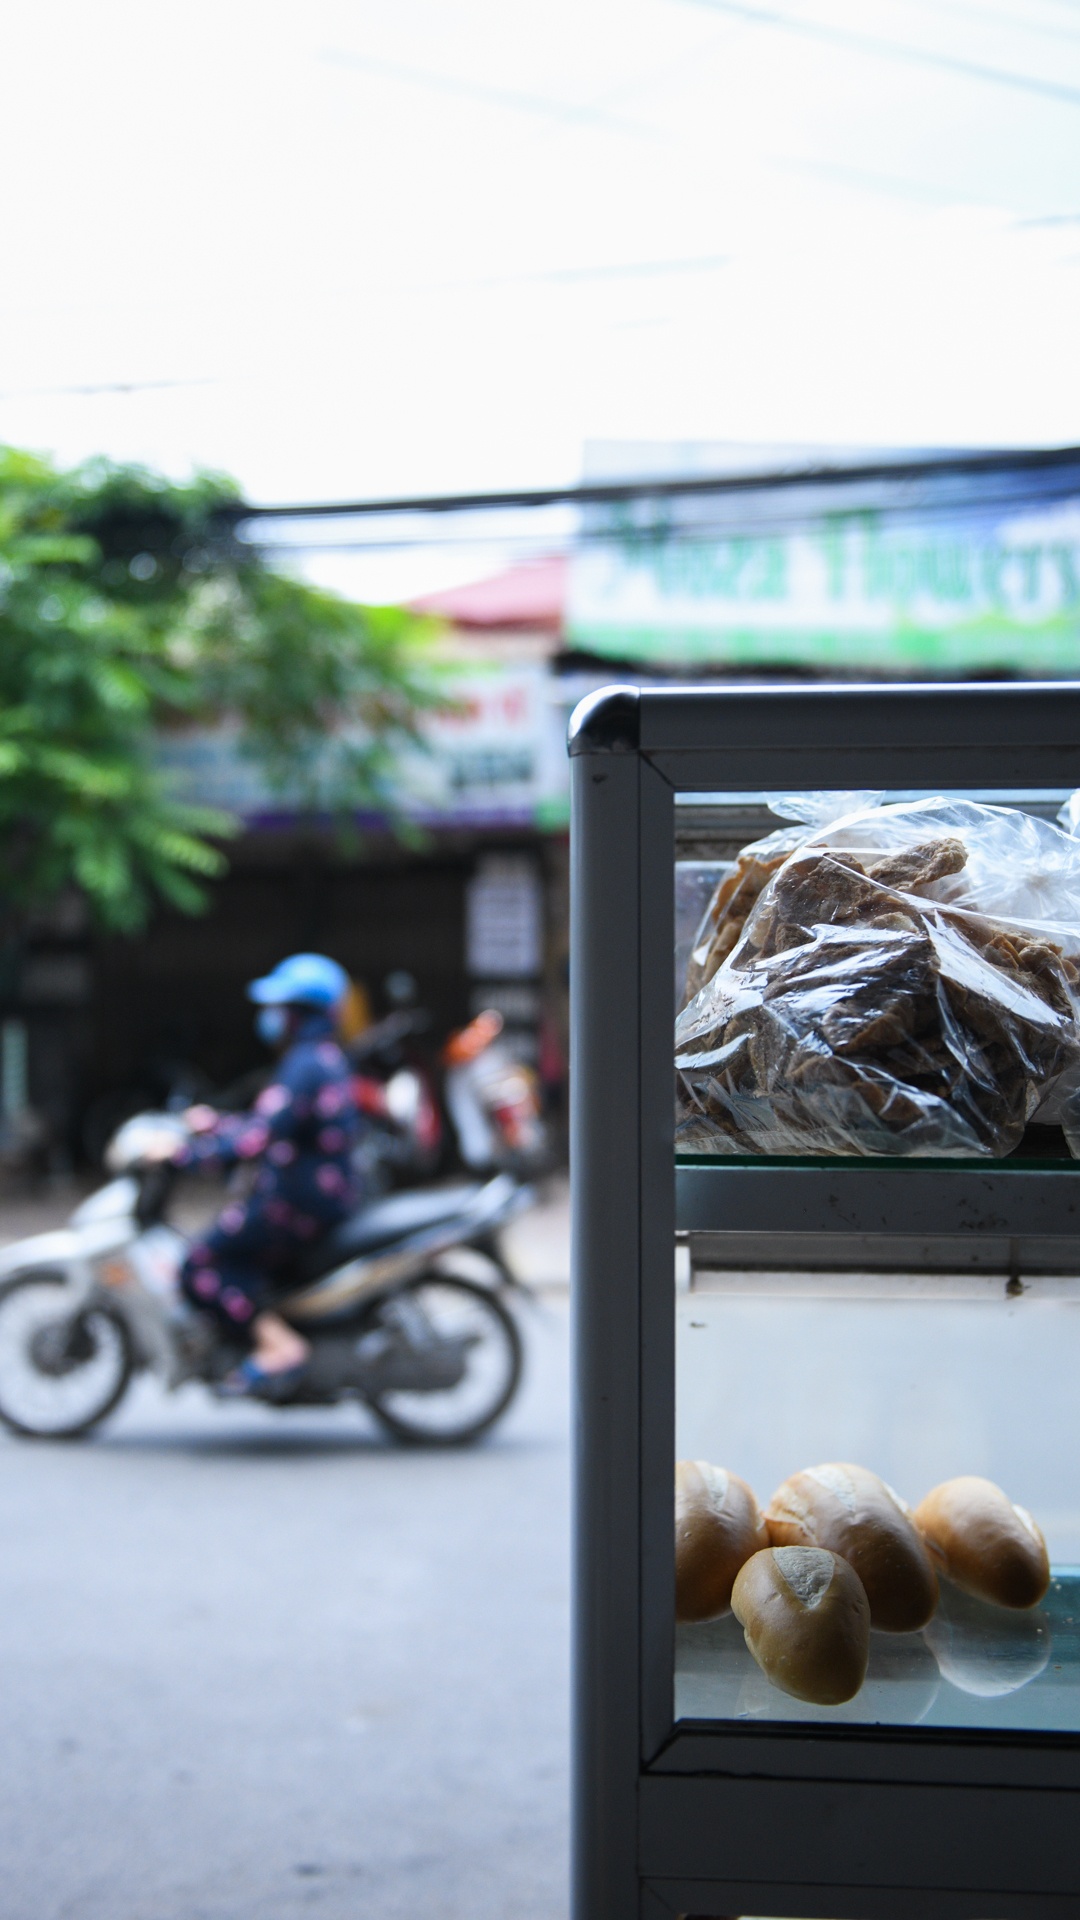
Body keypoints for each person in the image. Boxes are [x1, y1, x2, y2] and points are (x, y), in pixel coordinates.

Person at [174, 953, 360, 1394]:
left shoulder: (305, 1065)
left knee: (199, 1264)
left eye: (280, 1007)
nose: (271, 1016)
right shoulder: (319, 1058)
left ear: (298, 1013)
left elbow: (257, 1138)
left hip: (296, 1203)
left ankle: (278, 1344)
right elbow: (270, 1124)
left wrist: (184, 1156)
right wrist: (215, 1124)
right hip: (313, 1197)